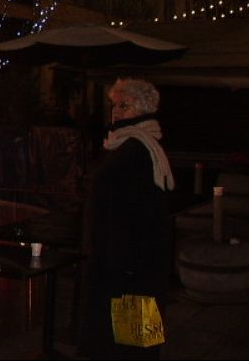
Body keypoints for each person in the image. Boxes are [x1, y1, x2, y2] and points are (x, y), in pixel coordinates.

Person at [79, 78, 174, 359]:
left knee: (131, 341)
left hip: (129, 262)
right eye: (114, 105)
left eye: (124, 105)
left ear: (143, 109)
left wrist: (126, 262)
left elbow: (138, 209)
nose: (116, 112)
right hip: (122, 258)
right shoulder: (124, 144)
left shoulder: (137, 149)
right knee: (126, 339)